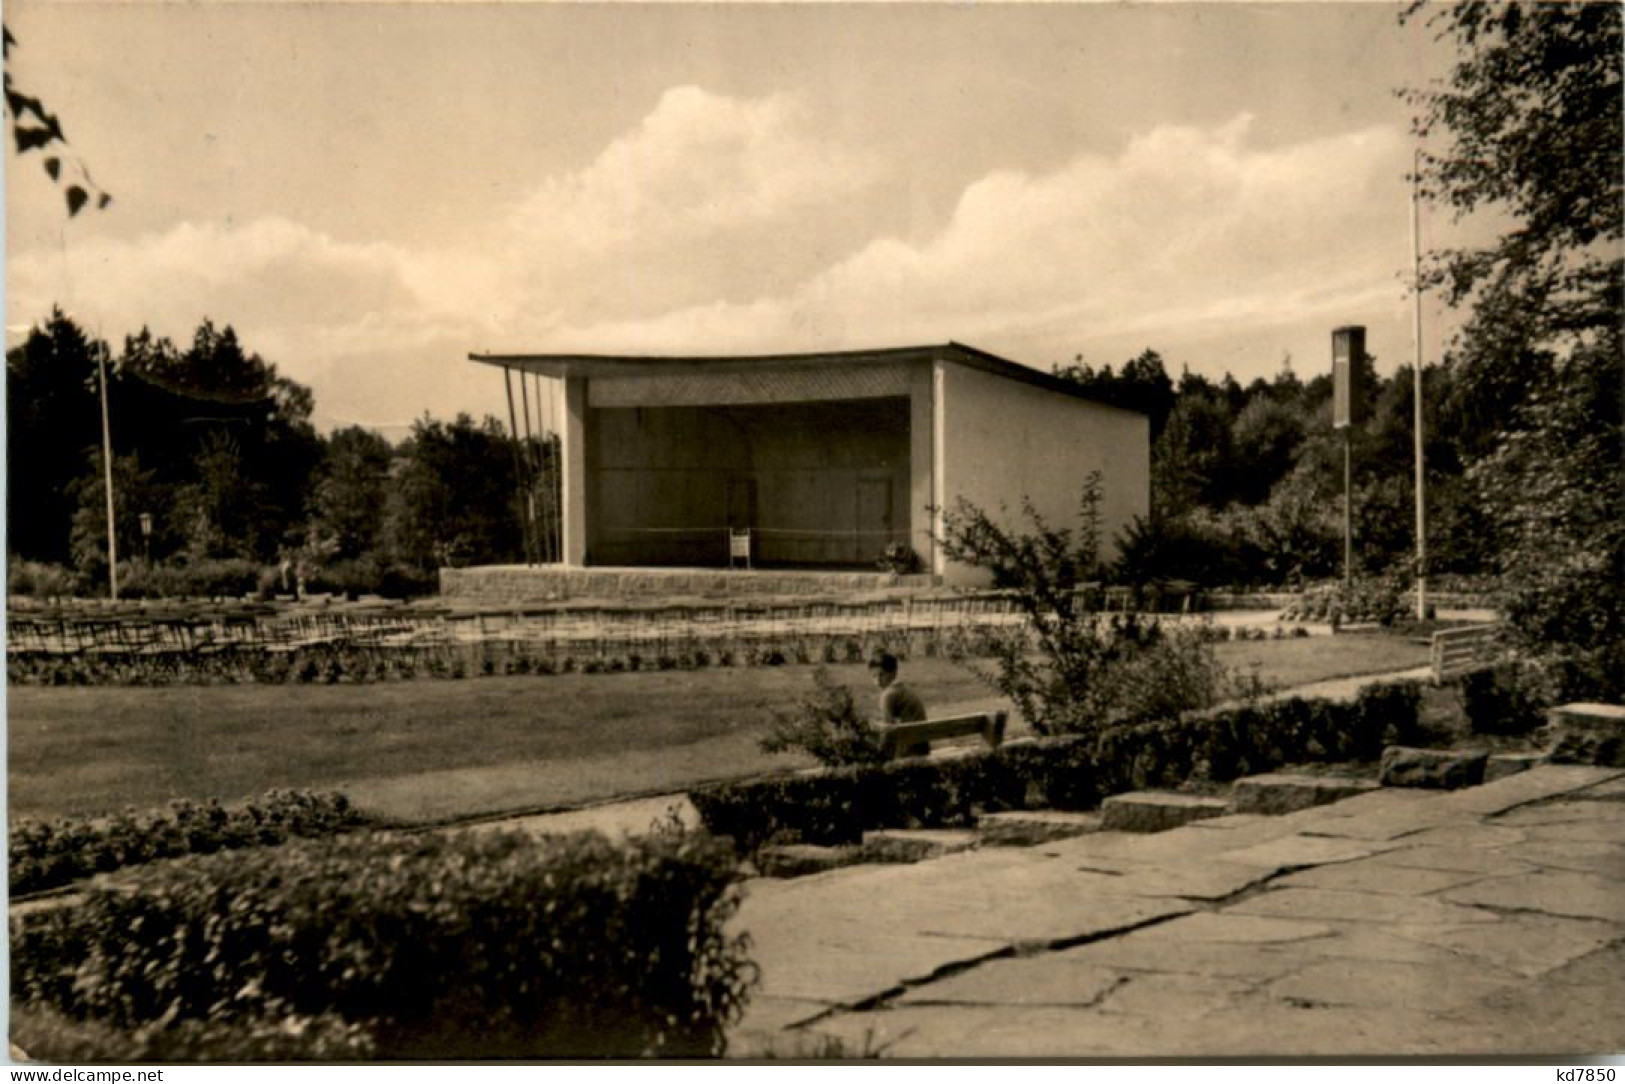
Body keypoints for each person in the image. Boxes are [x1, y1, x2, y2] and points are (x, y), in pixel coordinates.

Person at [869, 650, 928, 756]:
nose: (877, 681)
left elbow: (888, 731)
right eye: (874, 676)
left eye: (882, 675)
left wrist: (878, 753)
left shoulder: (888, 695)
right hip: (922, 747)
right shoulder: (904, 688)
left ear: (893, 673)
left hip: (907, 751)